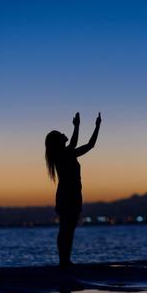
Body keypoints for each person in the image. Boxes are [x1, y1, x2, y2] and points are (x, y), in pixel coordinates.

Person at [45, 112, 102, 267]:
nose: (65, 134)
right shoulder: (64, 154)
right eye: (61, 134)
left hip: (71, 194)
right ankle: (64, 261)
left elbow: (90, 145)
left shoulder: (67, 154)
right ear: (58, 142)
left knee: (67, 229)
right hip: (68, 195)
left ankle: (64, 260)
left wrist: (97, 126)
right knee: (67, 229)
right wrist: (77, 126)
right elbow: (77, 142)